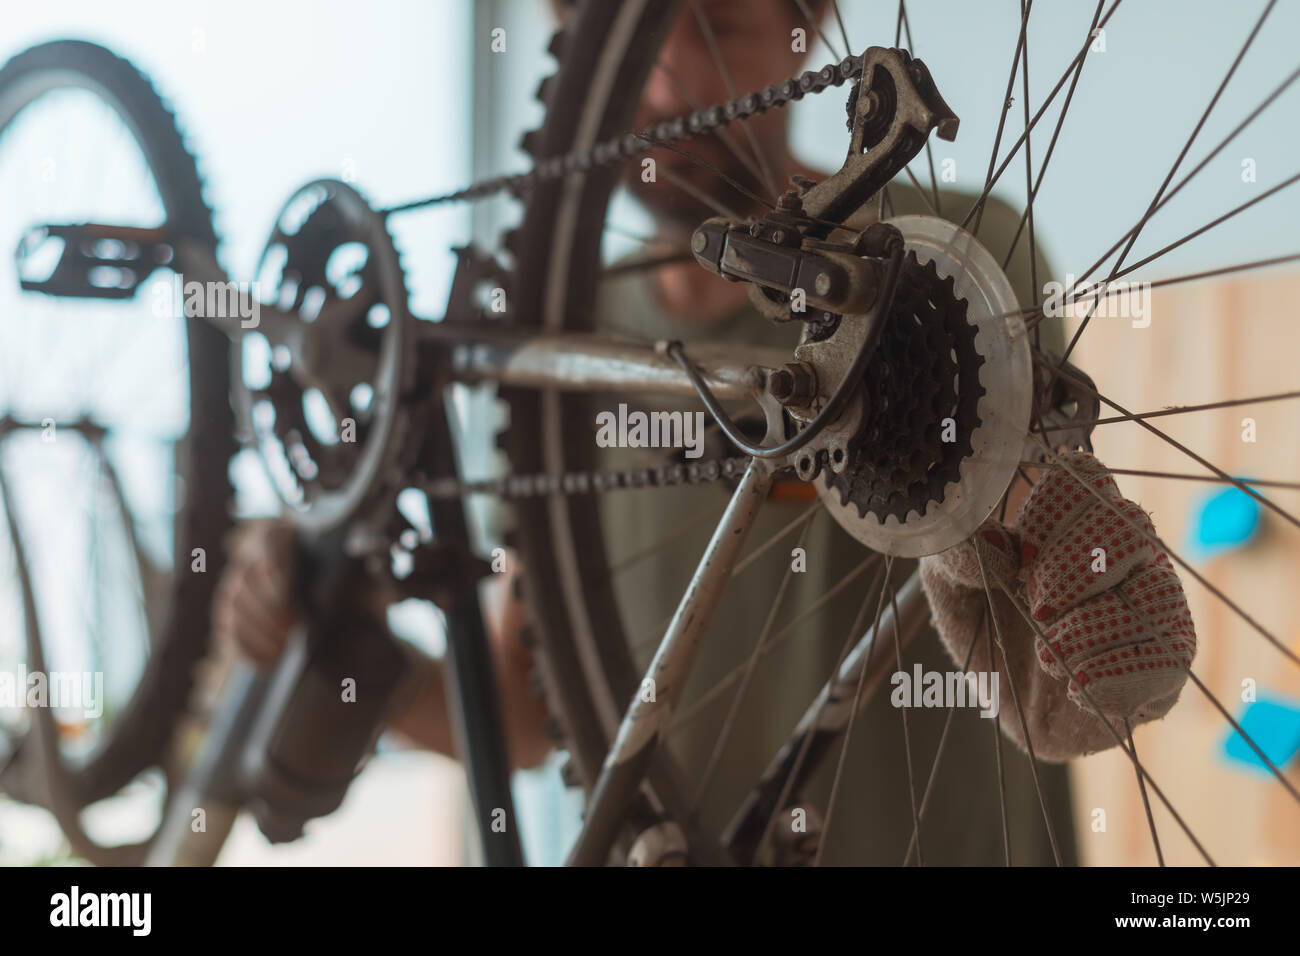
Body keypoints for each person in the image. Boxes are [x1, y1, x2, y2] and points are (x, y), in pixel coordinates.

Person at [215, 0, 1196, 864]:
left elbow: (1042, 572)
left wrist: (1075, 562)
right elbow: (523, 709)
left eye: (720, 23)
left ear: (800, 33)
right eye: (639, 31)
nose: (674, 80)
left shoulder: (963, 255)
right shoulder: (553, 351)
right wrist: (323, 631)